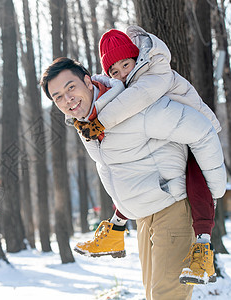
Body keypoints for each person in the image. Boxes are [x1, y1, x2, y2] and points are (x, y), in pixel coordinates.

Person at [39, 57, 226, 299]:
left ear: (87, 81)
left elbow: (201, 130)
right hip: (142, 216)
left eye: (71, 87)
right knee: (153, 295)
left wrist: (215, 190)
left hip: (173, 209)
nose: (68, 99)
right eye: (58, 97)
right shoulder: (86, 124)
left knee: (167, 296)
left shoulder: (133, 106)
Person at [73, 26, 222, 285]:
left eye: (125, 65)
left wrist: (101, 119)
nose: (122, 74)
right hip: (172, 135)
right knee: (131, 164)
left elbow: (136, 99)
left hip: (193, 135)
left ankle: (203, 247)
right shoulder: (130, 84)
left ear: (137, 59)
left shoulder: (153, 72)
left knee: (198, 185)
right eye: (114, 72)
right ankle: (116, 227)